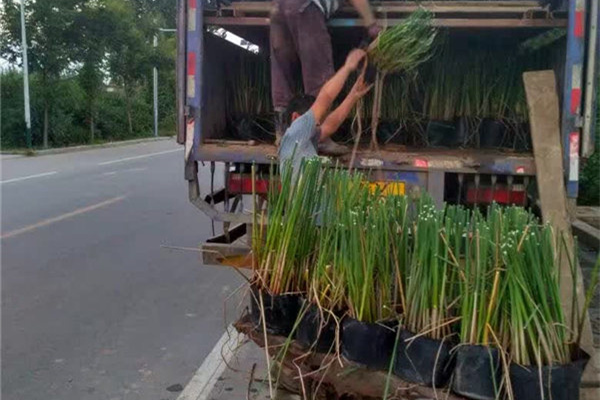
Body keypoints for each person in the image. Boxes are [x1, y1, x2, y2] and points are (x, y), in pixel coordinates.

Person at [270, 0, 380, 154]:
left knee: (281, 71)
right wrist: (371, 24)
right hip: (305, 7)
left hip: (278, 9)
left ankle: (282, 133)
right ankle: (320, 139)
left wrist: (353, 95)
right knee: (318, 71)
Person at [279, 49, 372, 176]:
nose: (317, 125)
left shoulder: (304, 140)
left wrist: (353, 96)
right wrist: (347, 68)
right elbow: (326, 97)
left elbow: (330, 125)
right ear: (295, 117)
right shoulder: (295, 133)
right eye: (314, 121)